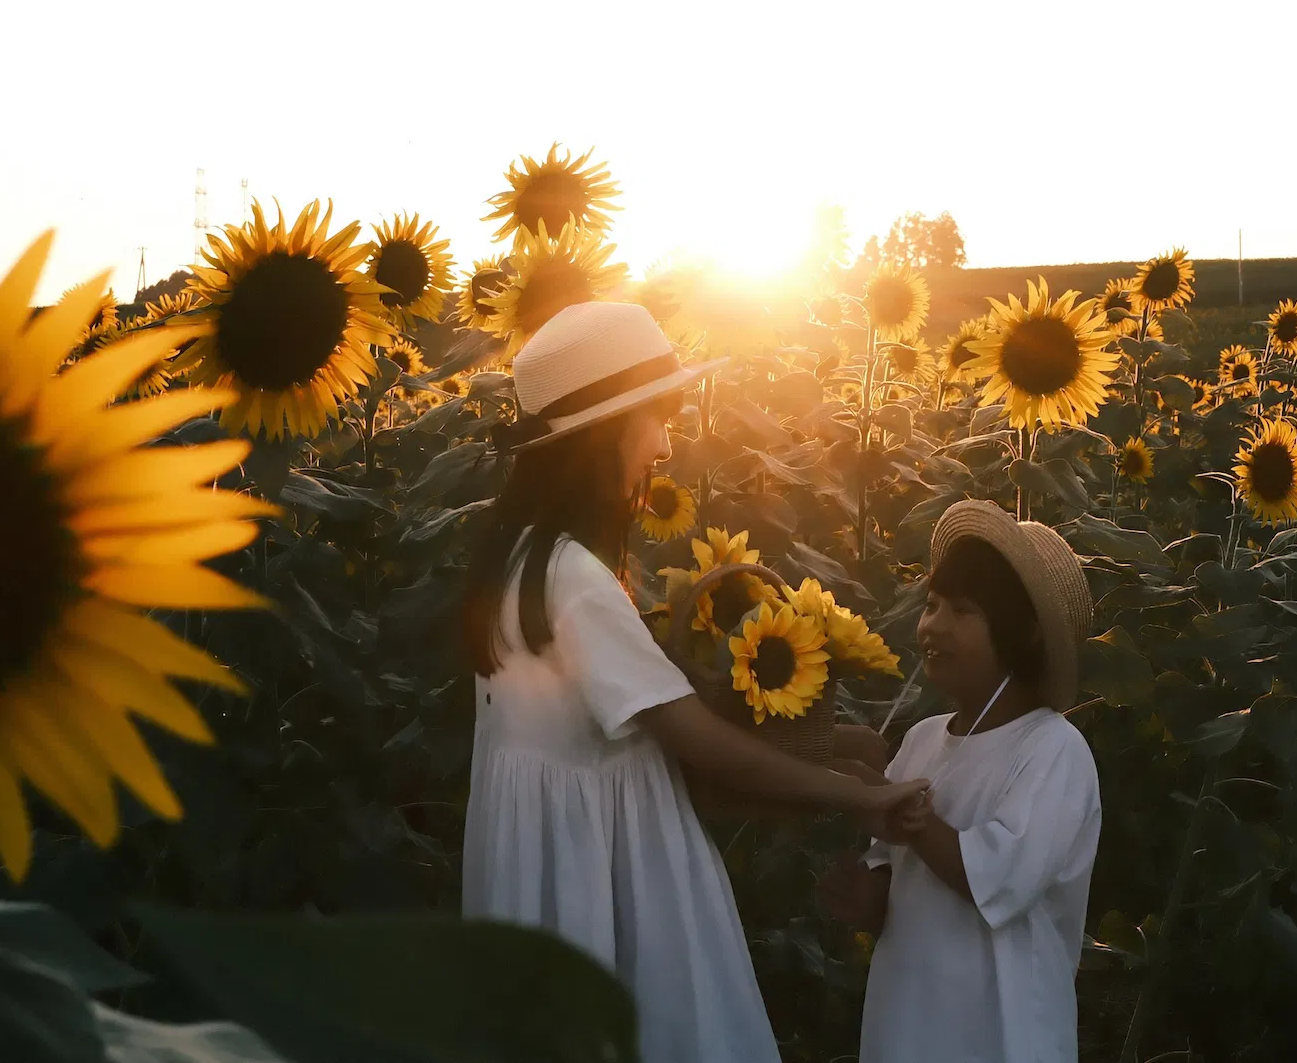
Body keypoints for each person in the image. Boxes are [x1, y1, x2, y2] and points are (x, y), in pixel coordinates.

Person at [460, 300, 930, 1063]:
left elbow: (645, 706)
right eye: (657, 416)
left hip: (547, 870)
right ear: (604, 433)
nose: (666, 444)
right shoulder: (576, 580)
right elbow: (697, 740)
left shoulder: (519, 557)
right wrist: (863, 796)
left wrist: (830, 744)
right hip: (620, 878)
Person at [820, 497, 1101, 1062]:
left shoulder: (1053, 749)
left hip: (1002, 1038)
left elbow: (998, 880)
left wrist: (911, 821)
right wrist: (863, 895)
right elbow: (889, 878)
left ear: (1021, 637)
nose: (933, 625)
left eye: (963, 610)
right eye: (932, 603)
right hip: (909, 1029)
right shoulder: (923, 739)